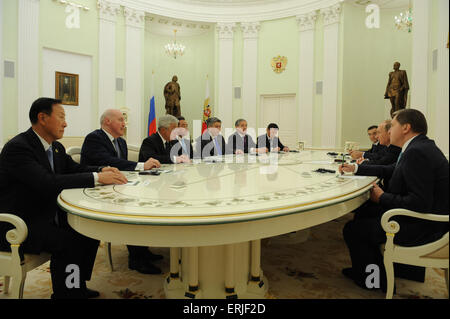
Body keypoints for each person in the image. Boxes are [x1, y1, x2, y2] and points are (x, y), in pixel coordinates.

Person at [0, 98, 128, 299]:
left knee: (88, 230)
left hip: (46, 214)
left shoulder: (56, 147)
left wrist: (101, 169)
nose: (66, 123)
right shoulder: (19, 147)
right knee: (69, 242)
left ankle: (76, 286)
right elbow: (45, 182)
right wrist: (97, 178)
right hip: (20, 222)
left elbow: (75, 168)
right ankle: (66, 294)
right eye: (61, 117)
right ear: (42, 118)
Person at [339, 109, 449, 292]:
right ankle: (375, 270)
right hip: (426, 219)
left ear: (406, 127)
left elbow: (419, 203)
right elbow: (393, 170)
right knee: (364, 210)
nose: (389, 131)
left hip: (425, 227)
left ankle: (373, 281)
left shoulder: (417, 152)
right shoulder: (419, 146)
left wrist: (382, 197)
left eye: (393, 126)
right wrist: (356, 169)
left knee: (353, 230)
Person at [80, 109, 163, 275]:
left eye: (124, 120)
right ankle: (136, 259)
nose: (124, 123)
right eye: (120, 120)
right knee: (132, 211)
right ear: (107, 122)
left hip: (118, 186)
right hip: (96, 193)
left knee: (142, 203)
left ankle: (142, 250)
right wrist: (141, 165)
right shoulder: (94, 138)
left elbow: (121, 165)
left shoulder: (121, 142)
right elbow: (108, 162)